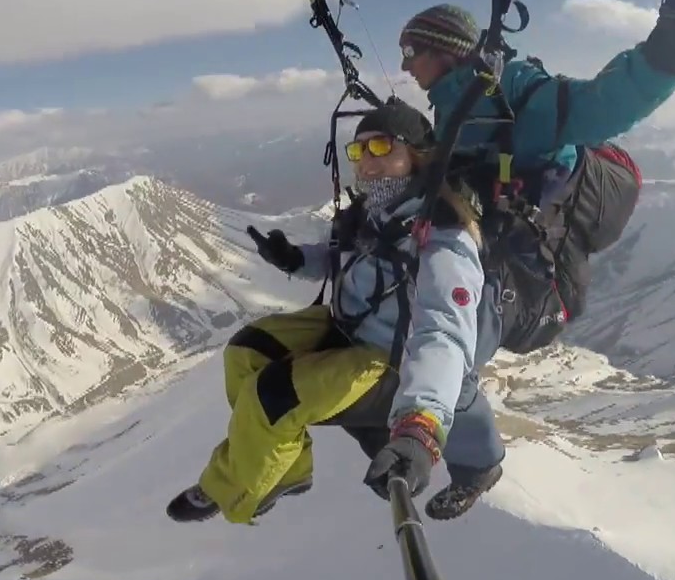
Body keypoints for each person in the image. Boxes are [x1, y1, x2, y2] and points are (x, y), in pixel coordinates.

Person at [385, 0, 675, 517]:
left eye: (411, 52)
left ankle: (460, 453)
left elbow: (600, 106)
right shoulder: (457, 106)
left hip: (526, 272)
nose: (405, 66)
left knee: (451, 350)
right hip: (493, 247)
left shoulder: (510, 99)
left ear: (443, 50)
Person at [167, 100, 489, 525]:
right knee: (245, 352)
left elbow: (444, 333)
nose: (367, 163)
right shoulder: (377, 214)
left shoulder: (443, 236)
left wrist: (421, 427)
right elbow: (350, 260)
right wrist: (294, 259)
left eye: (381, 148)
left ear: (417, 154)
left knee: (273, 395)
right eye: (359, 152)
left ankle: (236, 489)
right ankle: (284, 468)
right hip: (348, 326)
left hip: (391, 358)